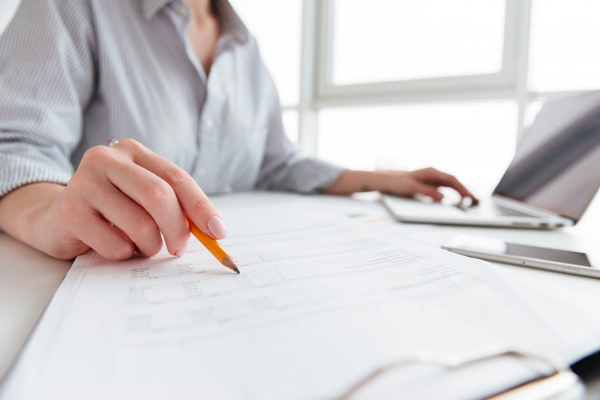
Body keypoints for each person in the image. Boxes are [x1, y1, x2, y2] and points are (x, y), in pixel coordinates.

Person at [0, 0, 477, 262]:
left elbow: (277, 161)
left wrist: (381, 180)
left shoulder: (245, 47)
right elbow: (13, 146)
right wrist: (50, 215)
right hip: (90, 277)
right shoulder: (74, 6)